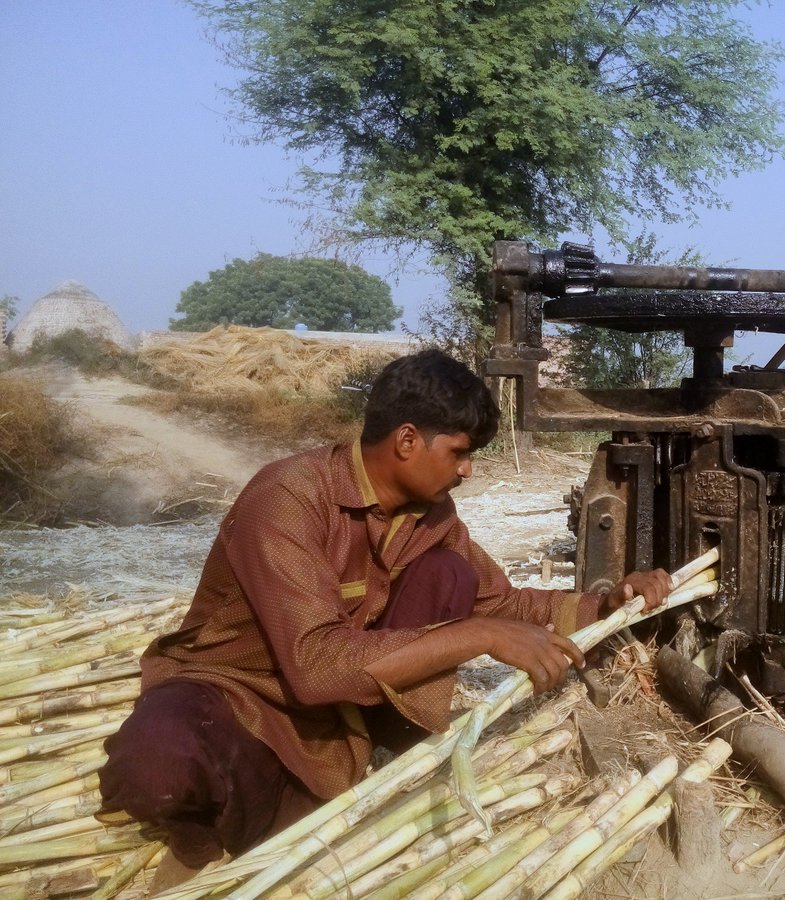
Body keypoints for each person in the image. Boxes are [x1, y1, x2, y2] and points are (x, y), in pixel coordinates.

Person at [98, 349, 671, 888]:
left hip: (342, 709)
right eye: (460, 452)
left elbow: (504, 605)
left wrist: (608, 604)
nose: (467, 471)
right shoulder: (289, 497)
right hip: (238, 692)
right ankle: (206, 842)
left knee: (448, 573)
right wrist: (477, 636)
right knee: (157, 768)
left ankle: (378, 755)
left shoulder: (431, 514)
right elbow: (316, 666)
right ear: (406, 441)